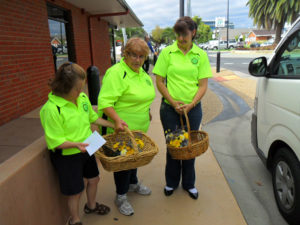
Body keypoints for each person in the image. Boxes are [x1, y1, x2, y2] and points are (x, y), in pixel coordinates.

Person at [40, 62, 118, 225]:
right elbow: (55, 141)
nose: (81, 92)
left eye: (83, 87)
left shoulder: (81, 98)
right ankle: (75, 220)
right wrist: (76, 145)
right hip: (68, 155)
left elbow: (92, 117)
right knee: (75, 192)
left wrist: (114, 124)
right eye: (78, 89)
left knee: (94, 179)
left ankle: (91, 206)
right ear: (64, 88)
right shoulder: (52, 109)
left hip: (86, 146)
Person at [152, 16, 212, 200]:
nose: (180, 39)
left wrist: (191, 104)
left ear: (193, 32)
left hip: (193, 110)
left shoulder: (200, 55)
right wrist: (171, 101)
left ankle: (189, 184)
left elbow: (203, 85)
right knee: (174, 146)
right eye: (178, 35)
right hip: (170, 109)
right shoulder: (167, 53)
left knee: (190, 147)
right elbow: (160, 81)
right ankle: (171, 182)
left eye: (184, 34)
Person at [98, 37, 156, 216]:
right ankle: (121, 196)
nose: (137, 60)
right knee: (123, 162)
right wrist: (116, 120)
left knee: (134, 158)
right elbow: (105, 101)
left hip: (138, 129)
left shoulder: (142, 74)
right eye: (133, 55)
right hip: (121, 129)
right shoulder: (116, 72)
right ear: (125, 54)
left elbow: (144, 97)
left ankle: (133, 183)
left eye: (141, 56)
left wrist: (146, 112)